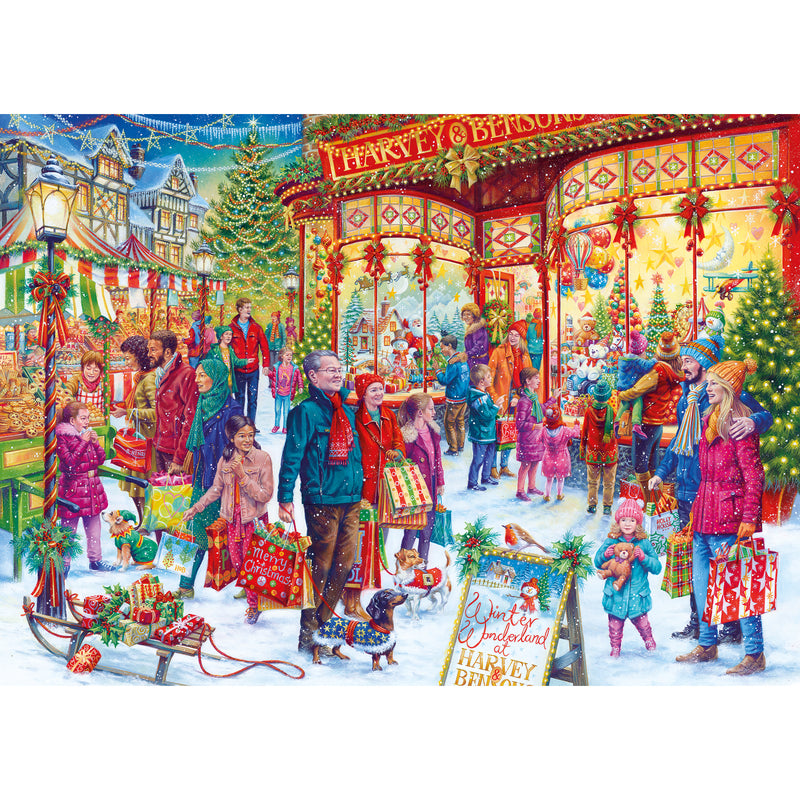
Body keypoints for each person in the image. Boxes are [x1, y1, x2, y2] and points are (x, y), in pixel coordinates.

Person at [650, 336, 772, 643]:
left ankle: (731, 626)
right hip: (690, 492)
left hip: (716, 496)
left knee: (727, 563)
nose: (683, 366)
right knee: (697, 564)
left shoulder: (723, 394)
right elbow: (679, 441)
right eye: (682, 360)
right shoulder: (687, 399)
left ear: (703, 363)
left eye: (688, 360)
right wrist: (662, 473)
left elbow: (763, 415)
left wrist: (753, 422)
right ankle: (700, 622)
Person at [674, 359, 768, 675]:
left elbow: (754, 476)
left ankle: (754, 653)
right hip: (704, 518)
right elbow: (706, 476)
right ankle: (707, 644)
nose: (708, 387)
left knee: (741, 587)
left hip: (730, 521)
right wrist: (695, 514)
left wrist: (749, 518)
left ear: (729, 387)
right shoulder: (708, 420)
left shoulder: (740, 425)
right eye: (709, 381)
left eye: (714, 382)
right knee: (702, 588)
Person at [277, 350, 363, 653]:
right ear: (313, 376)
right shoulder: (305, 412)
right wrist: (285, 497)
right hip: (322, 499)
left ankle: (324, 627)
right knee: (321, 566)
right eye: (330, 370)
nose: (338, 374)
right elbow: (292, 456)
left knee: (345, 564)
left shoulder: (347, 409)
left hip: (351, 498)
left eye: (339, 369)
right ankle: (309, 632)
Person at [184, 415, 273, 624]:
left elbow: (265, 495)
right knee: (237, 562)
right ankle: (254, 601)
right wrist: (196, 508)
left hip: (254, 521)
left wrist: (243, 476)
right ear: (231, 438)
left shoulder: (263, 459)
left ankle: (254, 605)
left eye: (250, 435)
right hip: (232, 520)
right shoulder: (225, 460)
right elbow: (216, 489)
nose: (247, 440)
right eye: (242, 436)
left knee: (251, 565)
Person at [178, 359, 243, 598]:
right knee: (197, 531)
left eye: (202, 375)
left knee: (235, 533)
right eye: (197, 375)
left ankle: (249, 586)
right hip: (202, 478)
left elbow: (243, 445)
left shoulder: (232, 410)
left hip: (225, 481)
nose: (197, 380)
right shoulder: (202, 405)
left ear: (216, 378)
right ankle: (185, 585)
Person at [347, 373, 404, 618]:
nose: (379, 393)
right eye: (373, 390)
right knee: (362, 537)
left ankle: (375, 578)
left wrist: (397, 453)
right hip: (364, 487)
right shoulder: (356, 418)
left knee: (382, 532)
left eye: (381, 388)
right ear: (363, 394)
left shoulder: (389, 415)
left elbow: (399, 442)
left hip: (386, 486)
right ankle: (356, 585)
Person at [615, 330, 683, 503]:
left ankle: (649, 503)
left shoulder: (658, 370)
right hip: (657, 424)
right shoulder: (674, 371)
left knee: (640, 465)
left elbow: (637, 390)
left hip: (644, 423)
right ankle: (657, 502)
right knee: (653, 465)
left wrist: (622, 395)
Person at [593, 498, 661, 657]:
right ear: (618, 522)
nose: (628, 524)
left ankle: (649, 640)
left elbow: (657, 567)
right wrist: (605, 555)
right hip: (616, 594)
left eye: (632, 520)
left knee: (643, 623)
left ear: (638, 523)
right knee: (614, 625)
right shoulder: (612, 540)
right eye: (624, 520)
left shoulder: (643, 543)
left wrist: (644, 558)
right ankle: (615, 648)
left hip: (637, 594)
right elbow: (597, 561)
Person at [56, 401, 114, 572]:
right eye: (83, 418)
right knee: (68, 529)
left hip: (92, 487)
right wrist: (83, 442)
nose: (87, 421)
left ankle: (95, 560)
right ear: (72, 421)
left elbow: (100, 459)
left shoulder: (85, 435)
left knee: (94, 528)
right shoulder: (63, 437)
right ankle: (64, 564)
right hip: (73, 488)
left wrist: (95, 443)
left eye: (87, 418)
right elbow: (69, 462)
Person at [111, 335, 156, 524]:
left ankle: (147, 523)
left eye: (128, 358)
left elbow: (156, 413)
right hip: (138, 439)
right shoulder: (141, 377)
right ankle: (143, 522)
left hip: (145, 442)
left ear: (139, 355)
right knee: (136, 488)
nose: (126, 362)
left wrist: (127, 412)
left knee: (142, 487)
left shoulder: (149, 379)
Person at [397, 393, 444, 566]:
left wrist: (440, 481)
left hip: (430, 487)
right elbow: (401, 465)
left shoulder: (433, 432)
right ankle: (403, 566)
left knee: (427, 530)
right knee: (411, 530)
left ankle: (423, 564)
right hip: (414, 490)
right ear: (419, 412)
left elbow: (437, 459)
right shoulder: (407, 437)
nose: (434, 412)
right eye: (430, 409)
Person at [148, 329, 199, 476]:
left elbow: (191, 419)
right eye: (149, 349)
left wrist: (179, 458)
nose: (149, 354)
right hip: (160, 447)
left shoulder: (187, 374)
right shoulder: (159, 373)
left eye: (153, 350)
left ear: (167, 352)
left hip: (175, 452)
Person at [488, 319, 533, 478]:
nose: (513, 338)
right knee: (496, 434)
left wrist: (517, 397)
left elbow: (527, 381)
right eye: (511, 334)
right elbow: (488, 378)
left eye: (516, 335)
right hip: (499, 398)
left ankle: (504, 466)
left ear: (521, 338)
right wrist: (495, 398)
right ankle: (492, 467)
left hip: (516, 399)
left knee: (510, 433)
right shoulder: (499, 352)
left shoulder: (525, 356)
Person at [580, 378, 618, 515]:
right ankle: (607, 507)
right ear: (608, 396)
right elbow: (617, 432)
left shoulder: (588, 411)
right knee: (609, 483)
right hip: (609, 452)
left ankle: (592, 505)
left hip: (593, 452)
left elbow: (584, 431)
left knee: (592, 482)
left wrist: (582, 447)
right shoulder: (612, 412)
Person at [229, 297, 270, 425]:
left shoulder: (256, 328)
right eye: (247, 307)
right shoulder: (231, 328)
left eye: (250, 307)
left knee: (253, 398)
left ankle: (251, 424)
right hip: (238, 370)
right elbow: (227, 348)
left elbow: (264, 347)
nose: (249, 310)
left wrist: (266, 365)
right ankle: (240, 424)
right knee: (239, 398)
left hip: (253, 370)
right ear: (240, 309)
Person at [613, 330, 655, 439]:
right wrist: (655, 360)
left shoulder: (624, 359)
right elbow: (647, 366)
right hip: (632, 388)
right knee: (637, 403)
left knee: (624, 404)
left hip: (622, 387)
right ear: (641, 351)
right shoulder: (637, 361)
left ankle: (617, 422)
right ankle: (636, 424)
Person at [514, 367, 546, 501]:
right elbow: (519, 424)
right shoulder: (524, 401)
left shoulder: (534, 398)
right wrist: (534, 426)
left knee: (535, 463)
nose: (539, 381)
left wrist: (553, 399)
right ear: (527, 380)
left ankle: (531, 487)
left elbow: (542, 409)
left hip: (536, 439)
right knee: (526, 465)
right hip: (527, 440)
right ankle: (520, 491)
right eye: (536, 378)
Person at [466, 364, 499, 491]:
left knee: (490, 456)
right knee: (478, 459)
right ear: (481, 381)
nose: (491, 379)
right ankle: (472, 482)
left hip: (489, 433)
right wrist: (496, 406)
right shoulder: (478, 399)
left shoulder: (484, 394)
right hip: (481, 433)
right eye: (489, 377)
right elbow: (486, 415)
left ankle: (486, 477)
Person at [435, 334, 469, 455]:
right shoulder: (462, 360)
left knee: (449, 423)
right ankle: (460, 445)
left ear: (449, 346)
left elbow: (445, 380)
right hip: (463, 397)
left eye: (442, 348)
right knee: (460, 422)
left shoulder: (452, 363)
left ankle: (453, 448)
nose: (441, 351)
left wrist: (437, 370)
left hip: (454, 399)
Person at [540, 400, 581, 501]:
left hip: (548, 458)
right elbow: (576, 434)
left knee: (549, 479)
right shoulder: (565, 430)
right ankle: (559, 494)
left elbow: (538, 439)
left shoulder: (544, 430)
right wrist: (576, 425)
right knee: (560, 478)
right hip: (562, 458)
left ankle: (547, 495)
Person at [268, 346, 304, 434]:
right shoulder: (277, 367)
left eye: (290, 355)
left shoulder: (294, 368)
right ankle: (276, 425)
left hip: (287, 394)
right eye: (287, 355)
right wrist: (268, 373)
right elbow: (273, 376)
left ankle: (285, 427)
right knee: (277, 410)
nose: (289, 357)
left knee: (286, 412)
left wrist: (300, 386)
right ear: (282, 356)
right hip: (278, 393)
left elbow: (299, 378)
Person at [207, 325, 247, 395]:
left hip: (229, 382)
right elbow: (208, 366)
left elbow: (236, 361)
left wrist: (246, 361)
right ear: (221, 336)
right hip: (219, 383)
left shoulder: (230, 350)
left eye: (230, 334)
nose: (229, 336)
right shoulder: (214, 351)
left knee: (229, 399)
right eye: (226, 334)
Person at [64, 350, 105, 416]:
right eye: (88, 368)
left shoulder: (103, 384)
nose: (91, 373)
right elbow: (67, 389)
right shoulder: (76, 380)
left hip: (97, 420)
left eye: (96, 370)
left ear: (100, 371)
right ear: (83, 368)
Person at [461, 302, 489, 376]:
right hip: (472, 361)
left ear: (474, 315)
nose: (466, 317)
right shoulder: (470, 328)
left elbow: (478, 347)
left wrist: (466, 354)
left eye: (468, 314)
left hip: (479, 363)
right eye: (464, 315)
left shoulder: (478, 329)